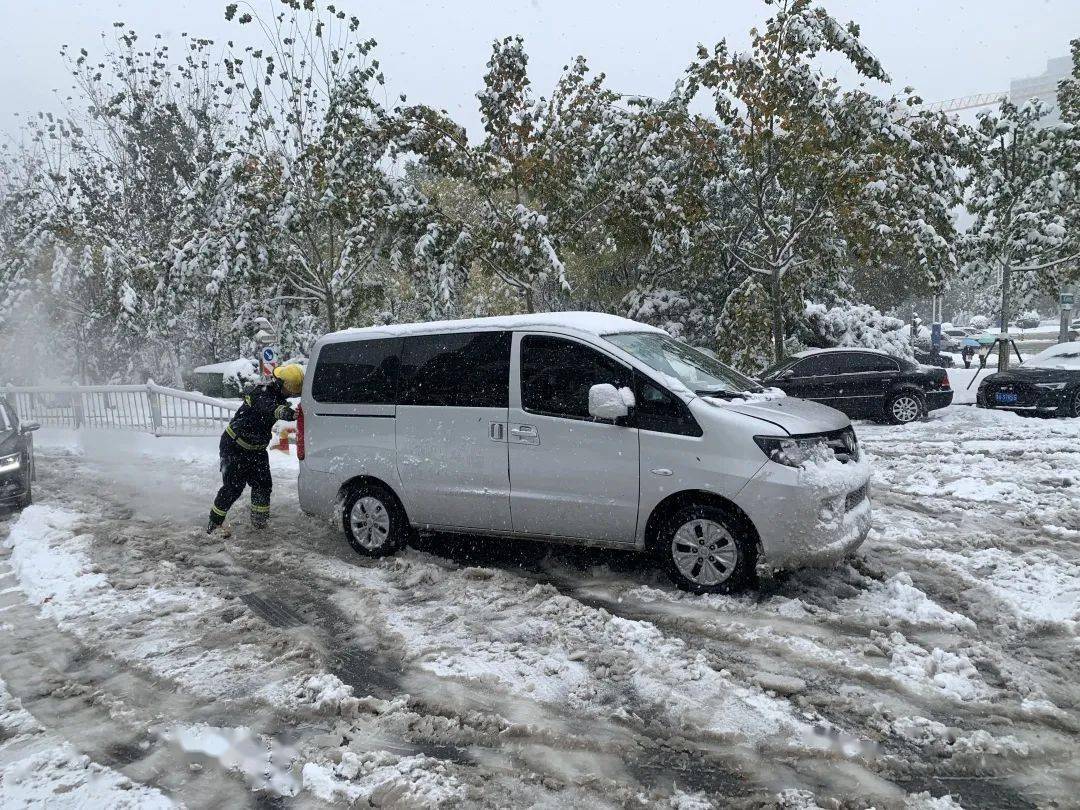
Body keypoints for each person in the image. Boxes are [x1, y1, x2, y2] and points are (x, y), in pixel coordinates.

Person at [207, 364, 303, 533]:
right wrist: (290, 414)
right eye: (293, 390)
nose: (294, 394)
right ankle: (214, 524)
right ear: (284, 385)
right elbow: (271, 408)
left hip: (256, 450)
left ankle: (259, 523)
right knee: (233, 488)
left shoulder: (278, 395)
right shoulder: (262, 393)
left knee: (263, 485)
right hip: (235, 446)